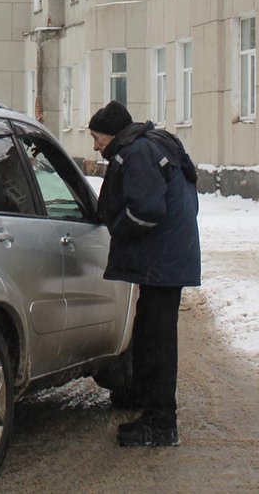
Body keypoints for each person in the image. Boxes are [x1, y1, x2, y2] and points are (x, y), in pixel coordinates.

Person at [89, 100, 201, 447]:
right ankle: (140, 395)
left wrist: (117, 229)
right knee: (149, 328)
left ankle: (160, 423)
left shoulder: (136, 153)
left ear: (112, 134)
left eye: (97, 138)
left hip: (162, 260)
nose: (95, 146)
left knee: (157, 339)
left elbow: (146, 211)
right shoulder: (155, 144)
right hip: (170, 255)